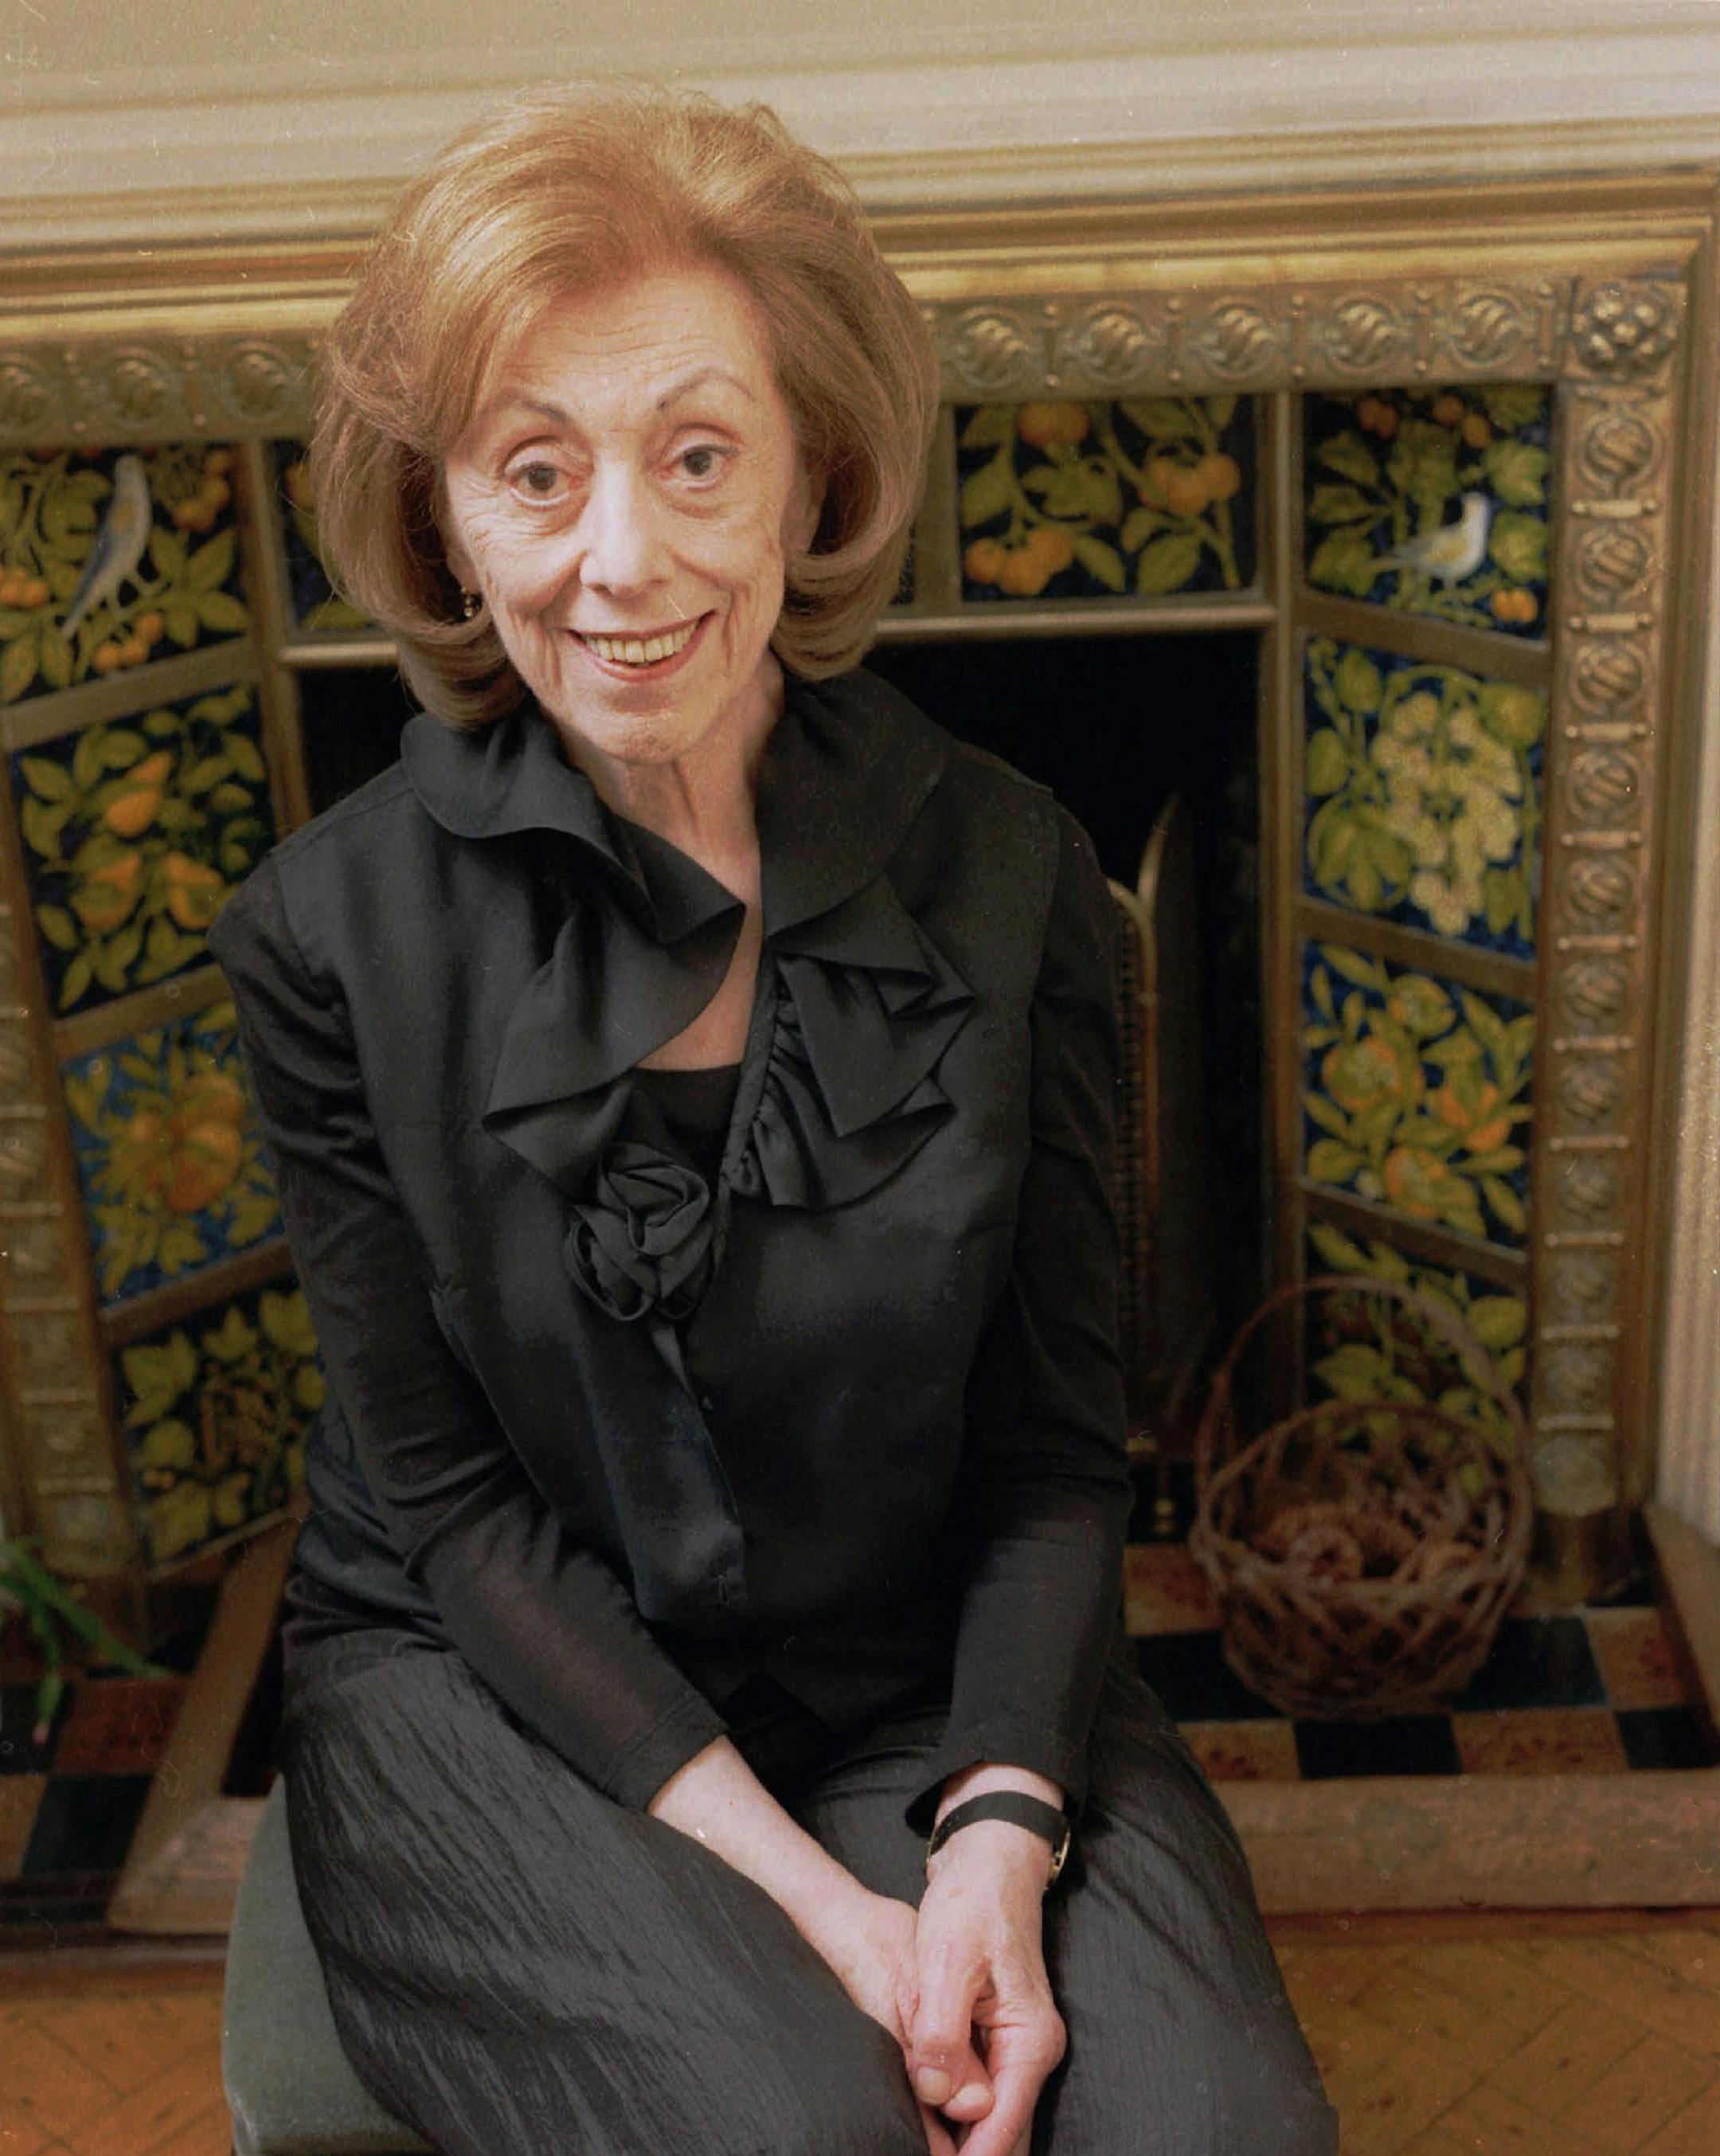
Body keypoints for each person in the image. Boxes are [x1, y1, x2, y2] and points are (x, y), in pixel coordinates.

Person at [210, 84, 1336, 2156]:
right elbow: (453, 1515)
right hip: (502, 1694)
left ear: (815, 469)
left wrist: (991, 1841)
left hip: (921, 1663)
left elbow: (1053, 1456)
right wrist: (830, 1909)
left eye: (697, 454)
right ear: (444, 520)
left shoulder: (1015, 872)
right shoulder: (322, 939)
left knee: (1217, 2133)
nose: (620, 559)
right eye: (535, 470)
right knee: (800, 2132)